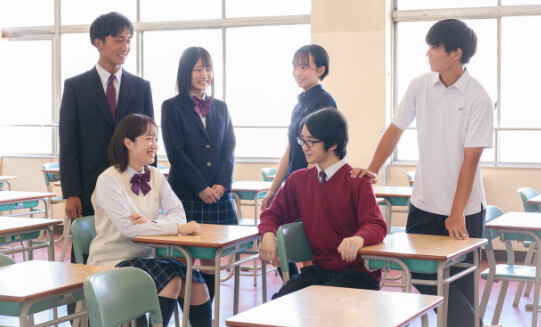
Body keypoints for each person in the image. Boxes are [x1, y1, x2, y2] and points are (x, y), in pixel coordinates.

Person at [355, 19, 493, 327]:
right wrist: (373, 169)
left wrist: (456, 213)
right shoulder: (420, 85)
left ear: (455, 53)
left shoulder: (477, 97)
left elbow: (470, 160)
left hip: (465, 211)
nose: (428, 53)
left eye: (434, 46)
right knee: (416, 271)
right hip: (423, 204)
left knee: (460, 285)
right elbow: (394, 130)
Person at [88, 113, 211, 327]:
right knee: (171, 280)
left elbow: (178, 213)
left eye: (156, 138)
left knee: (197, 284)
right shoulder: (109, 179)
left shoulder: (154, 175)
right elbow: (129, 229)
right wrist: (175, 228)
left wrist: (151, 224)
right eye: (148, 139)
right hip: (112, 260)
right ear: (128, 142)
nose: (154, 145)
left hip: (145, 257)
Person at [258, 108, 387, 299]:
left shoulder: (357, 181)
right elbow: (272, 213)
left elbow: (376, 225)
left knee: (326, 305)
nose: (304, 147)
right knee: (280, 304)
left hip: (358, 274)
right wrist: (268, 233)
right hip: (319, 271)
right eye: (302, 140)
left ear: (333, 143)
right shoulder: (298, 180)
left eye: (311, 141)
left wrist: (359, 238)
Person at [59, 11, 154, 243]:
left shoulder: (141, 87)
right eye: (118, 40)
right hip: (89, 188)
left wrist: (150, 183)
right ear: (98, 43)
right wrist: (71, 193)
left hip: (132, 186)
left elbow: (150, 139)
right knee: (89, 253)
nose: (125, 46)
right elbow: (68, 143)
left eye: (129, 40)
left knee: (134, 248)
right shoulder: (75, 87)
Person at [161, 46, 236, 306]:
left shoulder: (222, 107)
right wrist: (201, 187)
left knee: (212, 257)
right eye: (198, 69)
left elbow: (229, 149)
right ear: (186, 72)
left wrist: (221, 185)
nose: (205, 74)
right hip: (187, 194)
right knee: (184, 257)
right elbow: (176, 153)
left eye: (208, 68)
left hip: (217, 195)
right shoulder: (171, 106)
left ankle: (207, 310)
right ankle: (187, 314)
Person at [260, 44, 337, 278]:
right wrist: (273, 190)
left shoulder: (325, 101)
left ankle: (309, 290)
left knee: (308, 249)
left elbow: (322, 152)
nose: (298, 72)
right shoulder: (298, 105)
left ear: (320, 70)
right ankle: (298, 286)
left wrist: (307, 187)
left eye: (304, 67)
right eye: (294, 67)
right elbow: (290, 150)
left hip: (312, 187)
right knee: (294, 245)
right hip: (296, 184)